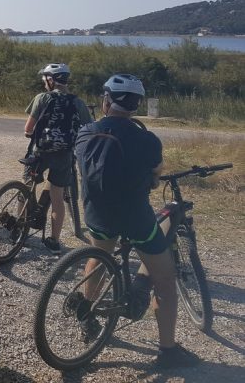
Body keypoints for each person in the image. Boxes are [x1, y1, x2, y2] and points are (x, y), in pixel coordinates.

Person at [75, 74, 200, 368]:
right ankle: (168, 351)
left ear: (106, 100)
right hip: (134, 218)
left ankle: (87, 312)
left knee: (99, 255)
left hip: (96, 213)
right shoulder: (147, 140)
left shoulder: (86, 132)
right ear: (136, 105)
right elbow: (156, 174)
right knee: (165, 279)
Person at [24, 63, 92, 254]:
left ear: (51, 80)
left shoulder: (42, 98)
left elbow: (28, 129)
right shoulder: (78, 102)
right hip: (63, 154)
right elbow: (88, 127)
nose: (44, 82)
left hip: (39, 152)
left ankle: (19, 226)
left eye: (45, 79)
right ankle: (54, 240)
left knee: (27, 185)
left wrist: (31, 134)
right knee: (57, 198)